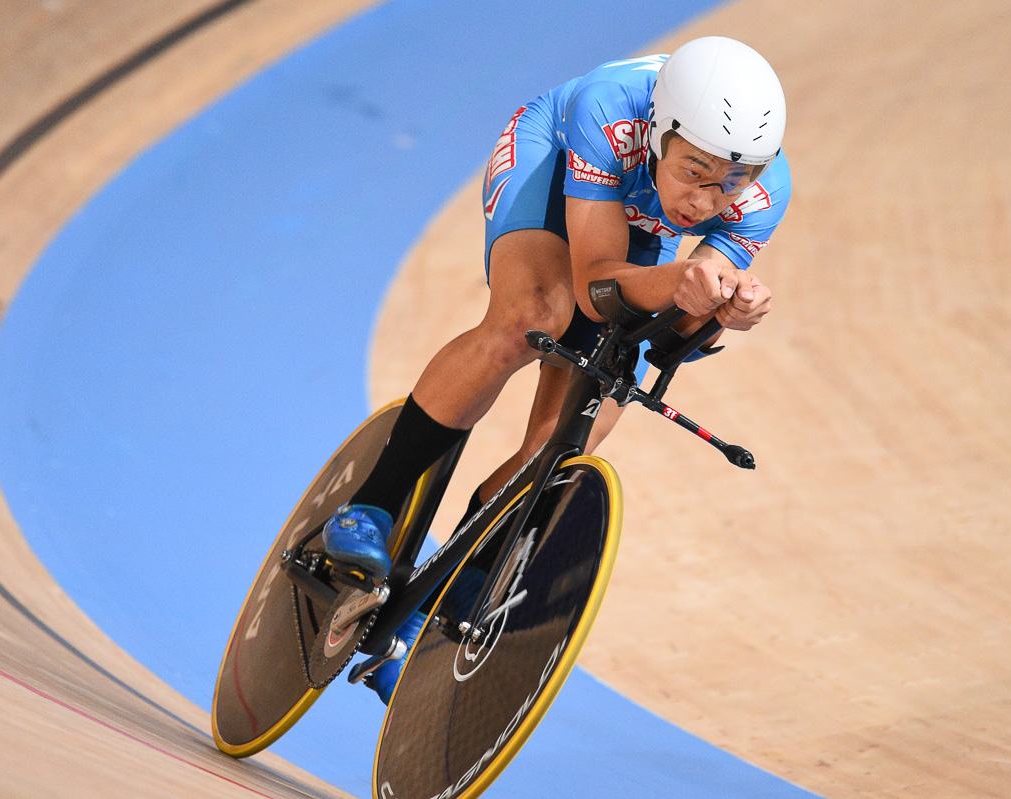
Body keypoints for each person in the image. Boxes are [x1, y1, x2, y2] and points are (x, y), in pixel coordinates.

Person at [324, 35, 791, 703]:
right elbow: (597, 281)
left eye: (729, 181)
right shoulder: (612, 109)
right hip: (557, 160)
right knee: (534, 315)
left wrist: (721, 309)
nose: (707, 201)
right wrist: (684, 276)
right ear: (661, 134)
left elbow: (666, 344)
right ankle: (373, 501)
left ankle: (431, 601)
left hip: (632, 216)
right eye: (693, 171)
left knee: (589, 416)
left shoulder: (763, 190)